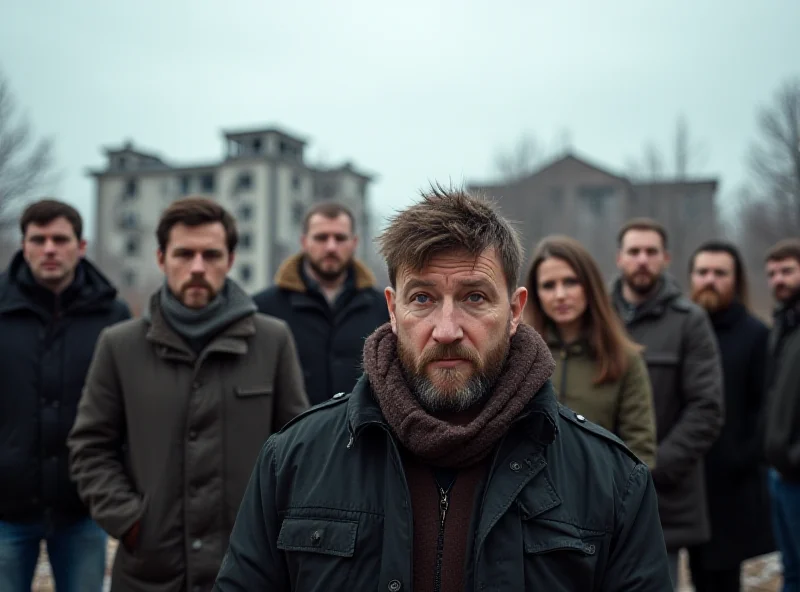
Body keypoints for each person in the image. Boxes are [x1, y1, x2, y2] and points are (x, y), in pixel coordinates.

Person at [214, 187, 672, 591]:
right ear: (392, 309)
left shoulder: (613, 482)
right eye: (423, 298)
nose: (447, 329)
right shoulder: (292, 461)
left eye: (475, 297)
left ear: (515, 310)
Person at [67, 197, 309, 592]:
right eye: (184, 254)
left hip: (248, 569)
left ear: (230, 260)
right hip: (151, 570)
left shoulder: (272, 340)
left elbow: (298, 451)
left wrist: (275, 528)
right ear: (161, 259)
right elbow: (90, 446)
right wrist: (131, 523)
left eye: (211, 254)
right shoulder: (119, 345)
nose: (198, 267)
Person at [0, 199, 130, 592]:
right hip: (6, 507)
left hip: (82, 505)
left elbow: (125, 407)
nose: (50, 249)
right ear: (24, 246)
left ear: (81, 245)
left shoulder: (112, 315)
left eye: (60, 239)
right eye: (38, 239)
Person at [611, 217, 724, 589]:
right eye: (634, 251)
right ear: (619, 258)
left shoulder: (689, 321)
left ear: (666, 258)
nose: (642, 259)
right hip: (598, 491)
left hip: (667, 497)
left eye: (651, 252)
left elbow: (706, 409)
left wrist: (649, 469)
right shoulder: (599, 318)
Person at [686, 240, 775, 592]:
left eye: (720, 273)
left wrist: (742, 457)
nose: (710, 280)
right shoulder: (683, 331)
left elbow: (765, 409)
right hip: (684, 479)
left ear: (736, 280)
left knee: (722, 580)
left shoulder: (756, 336)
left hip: (732, 485)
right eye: (702, 272)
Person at [524, 234, 656, 467]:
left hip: (600, 493)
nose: (560, 295)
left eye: (570, 282)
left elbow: (639, 449)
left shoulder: (623, 358)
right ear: (535, 294)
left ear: (590, 285)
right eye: (548, 285)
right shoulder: (520, 355)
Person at [253, 202, 389, 405]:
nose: (331, 247)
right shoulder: (263, 309)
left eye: (340, 238)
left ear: (354, 242)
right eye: (321, 237)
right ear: (304, 242)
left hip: (363, 433)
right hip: (292, 434)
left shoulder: (383, 308)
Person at [762, 238, 800, 591]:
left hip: (795, 471)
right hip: (780, 475)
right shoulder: (783, 326)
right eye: (772, 273)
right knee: (791, 571)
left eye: (787, 271)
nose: (778, 280)